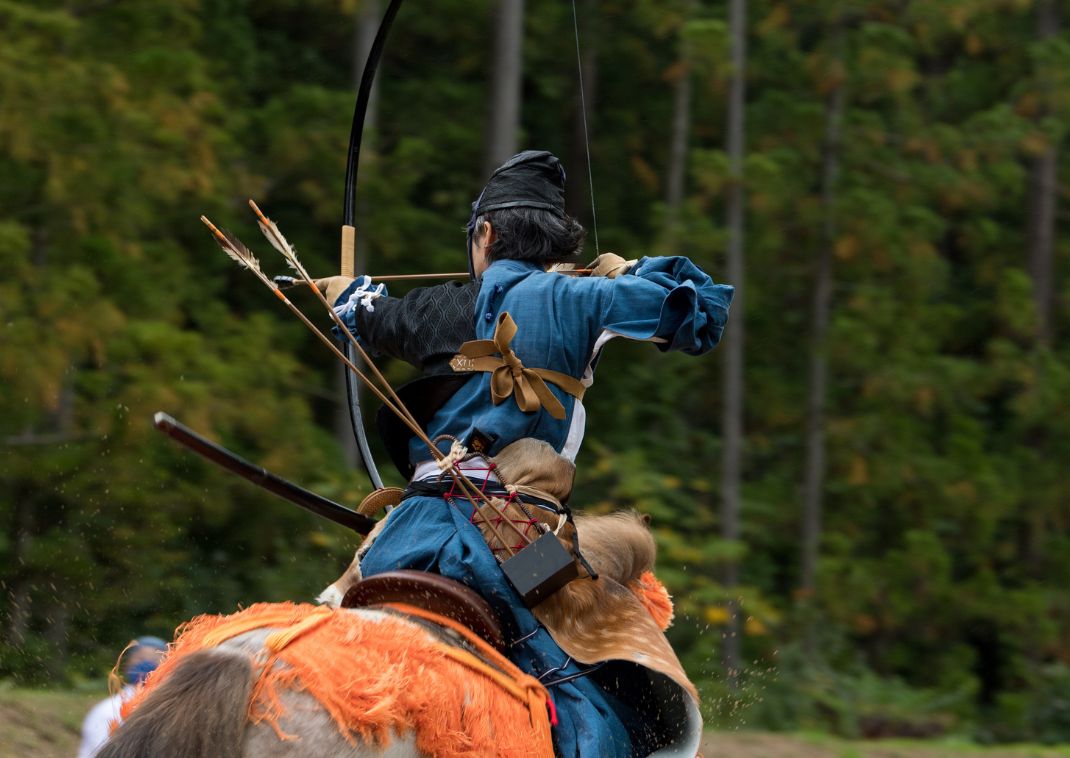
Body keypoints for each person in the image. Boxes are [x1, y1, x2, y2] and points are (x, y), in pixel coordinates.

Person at [317, 150, 733, 757]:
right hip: (519, 539)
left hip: (403, 532)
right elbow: (702, 313)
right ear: (555, 243)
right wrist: (639, 271)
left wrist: (348, 297)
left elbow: (369, 317)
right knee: (591, 668)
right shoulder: (583, 299)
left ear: (485, 234)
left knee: (322, 627)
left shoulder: (436, 310)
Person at [77, 636, 167, 758]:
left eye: (154, 659)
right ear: (128, 663)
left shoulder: (169, 709)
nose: (146, 663)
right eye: (140, 658)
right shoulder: (107, 711)